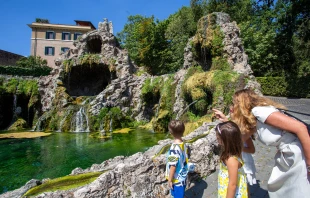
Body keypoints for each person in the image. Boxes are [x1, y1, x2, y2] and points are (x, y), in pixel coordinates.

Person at [213, 89, 310, 197]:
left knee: (298, 191)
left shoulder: (260, 112)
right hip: (286, 155)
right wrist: (226, 122)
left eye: (234, 103)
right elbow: (238, 140)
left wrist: (309, 165)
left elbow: (301, 128)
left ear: (241, 103)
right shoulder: (253, 119)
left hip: (299, 154)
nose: (233, 106)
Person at [216, 121, 248, 198]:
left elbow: (233, 185)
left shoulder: (231, 160)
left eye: (218, 138)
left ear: (226, 141)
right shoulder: (233, 152)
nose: (217, 140)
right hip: (226, 188)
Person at [165, 120, 189, 198]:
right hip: (183, 175)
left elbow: (173, 166)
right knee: (181, 192)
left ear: (171, 132)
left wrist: (170, 179)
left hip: (176, 179)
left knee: (178, 195)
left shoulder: (174, 149)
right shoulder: (183, 143)